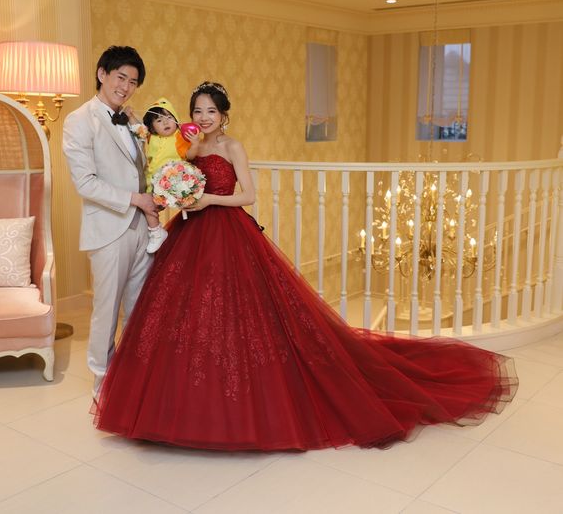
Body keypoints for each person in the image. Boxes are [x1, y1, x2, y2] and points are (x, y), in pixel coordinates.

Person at [94, 81, 518, 451]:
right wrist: (177, 193)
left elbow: (248, 196)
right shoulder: (190, 146)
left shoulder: (232, 147)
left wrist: (208, 200)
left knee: (244, 317)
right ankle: (185, 406)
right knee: (189, 317)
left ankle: (244, 406)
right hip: (191, 233)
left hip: (227, 229)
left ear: (224, 115)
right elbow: (170, 170)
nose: (204, 118)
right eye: (198, 111)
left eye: (211, 111)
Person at [63, 45, 157, 398]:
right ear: (102, 74)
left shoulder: (132, 120)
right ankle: (101, 385)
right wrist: (135, 199)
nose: (126, 87)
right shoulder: (79, 120)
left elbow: (140, 169)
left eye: (133, 82)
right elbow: (85, 183)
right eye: (121, 77)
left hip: (142, 226)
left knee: (139, 308)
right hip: (108, 228)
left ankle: (131, 380)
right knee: (107, 311)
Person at [125, 98, 200, 253]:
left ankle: (155, 232)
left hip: (170, 182)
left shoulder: (179, 137)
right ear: (152, 126)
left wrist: (195, 144)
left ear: (176, 120)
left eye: (169, 117)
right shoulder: (151, 137)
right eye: (159, 120)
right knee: (148, 206)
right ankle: (156, 230)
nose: (165, 122)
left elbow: (190, 155)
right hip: (151, 181)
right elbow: (138, 128)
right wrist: (130, 115)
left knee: (150, 205)